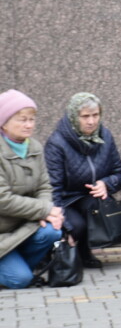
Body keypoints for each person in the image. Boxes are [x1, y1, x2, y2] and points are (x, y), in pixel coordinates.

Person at [44, 92, 121, 269]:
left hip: (90, 198)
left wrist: (106, 184)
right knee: (76, 225)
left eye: (95, 115)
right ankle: (63, 252)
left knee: (98, 213)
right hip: (66, 199)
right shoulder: (57, 143)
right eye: (85, 116)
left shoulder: (105, 136)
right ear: (74, 117)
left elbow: (120, 172)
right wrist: (59, 217)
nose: (91, 121)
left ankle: (84, 251)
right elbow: (52, 186)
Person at [0, 89, 64, 289]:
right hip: (3, 230)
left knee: (53, 231)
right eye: (22, 120)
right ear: (3, 122)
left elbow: (44, 186)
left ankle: (17, 266)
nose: (29, 125)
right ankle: (17, 271)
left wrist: (48, 211)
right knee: (19, 280)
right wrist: (45, 210)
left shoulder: (34, 147)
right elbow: (2, 199)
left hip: (24, 224)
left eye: (31, 119)